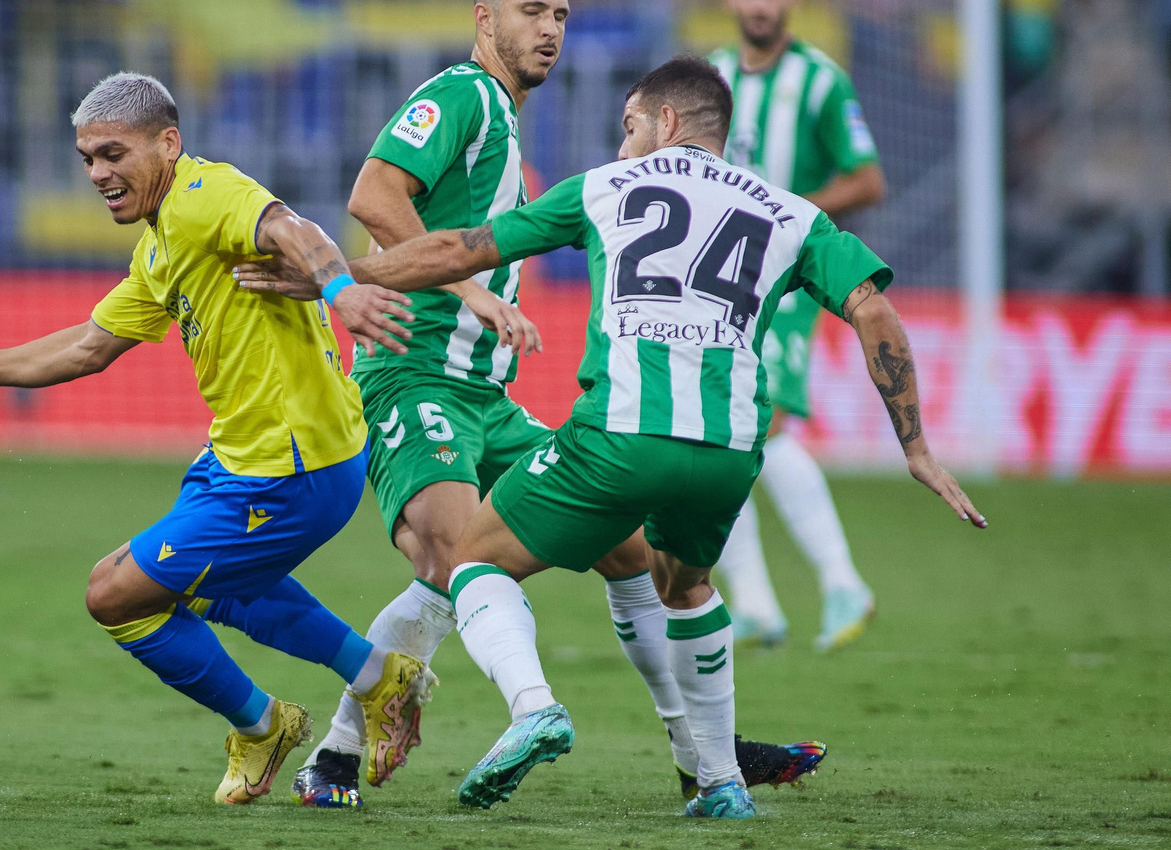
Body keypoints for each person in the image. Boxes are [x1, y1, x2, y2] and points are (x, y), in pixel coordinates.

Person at [241, 55, 987, 817]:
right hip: (727, 450)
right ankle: (712, 770)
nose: (621, 141)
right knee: (672, 577)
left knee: (467, 555)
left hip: (610, 432)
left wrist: (335, 279)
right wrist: (917, 447)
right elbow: (874, 312)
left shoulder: (608, 185)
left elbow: (461, 247)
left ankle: (542, 712)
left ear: (665, 123)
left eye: (629, 125)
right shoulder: (791, 210)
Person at [283, 0, 824, 809]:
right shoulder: (462, 93)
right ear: (484, 20)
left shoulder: (503, 115)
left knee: (633, 555)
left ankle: (701, 751)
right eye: (532, 11)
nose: (550, 30)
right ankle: (392, 742)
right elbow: (375, 195)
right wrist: (471, 292)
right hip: (416, 376)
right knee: (456, 557)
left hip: (482, 393)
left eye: (562, 16)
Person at [0, 72, 432, 805]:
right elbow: (86, 348)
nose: (99, 174)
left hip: (291, 470)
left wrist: (341, 290)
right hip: (244, 455)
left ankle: (264, 727)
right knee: (214, 589)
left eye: (113, 153)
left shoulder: (205, 197)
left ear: (167, 144)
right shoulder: (161, 243)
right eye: (87, 159)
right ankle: (381, 679)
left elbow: (297, 231)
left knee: (115, 595)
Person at [707, 0, 889, 652]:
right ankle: (755, 603)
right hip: (719, 283)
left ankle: (845, 583)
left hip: (783, 286)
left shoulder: (820, 81)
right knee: (724, 431)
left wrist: (786, 216)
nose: (760, 3)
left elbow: (867, 179)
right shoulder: (713, 77)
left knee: (770, 422)